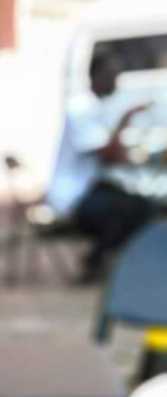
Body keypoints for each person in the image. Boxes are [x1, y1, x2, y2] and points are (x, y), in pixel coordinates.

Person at [48, 52, 156, 282]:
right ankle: (96, 260)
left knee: (144, 207)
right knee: (133, 209)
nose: (116, 83)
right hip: (73, 197)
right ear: (96, 77)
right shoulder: (80, 108)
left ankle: (108, 261)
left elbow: (113, 156)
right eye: (112, 76)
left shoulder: (95, 108)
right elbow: (109, 153)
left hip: (91, 190)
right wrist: (127, 118)